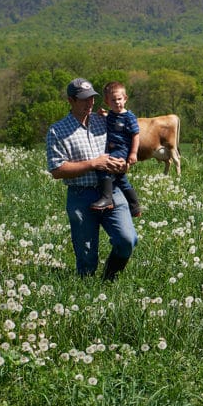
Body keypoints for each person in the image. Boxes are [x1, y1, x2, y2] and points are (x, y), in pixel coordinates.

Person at [46, 77, 138, 280]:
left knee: (127, 240)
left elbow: (127, 140)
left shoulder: (106, 121)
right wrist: (93, 164)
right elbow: (56, 170)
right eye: (84, 99)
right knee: (86, 255)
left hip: (112, 190)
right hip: (81, 196)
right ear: (71, 100)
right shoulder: (57, 130)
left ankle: (109, 278)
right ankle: (87, 291)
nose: (90, 103)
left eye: (92, 98)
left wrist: (125, 163)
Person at [90, 81, 142, 217]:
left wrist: (133, 153)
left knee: (104, 166)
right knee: (120, 179)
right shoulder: (111, 114)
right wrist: (102, 114)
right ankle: (134, 206)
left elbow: (136, 135)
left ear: (125, 99)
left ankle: (107, 198)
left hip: (122, 149)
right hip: (111, 149)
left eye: (119, 99)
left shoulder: (129, 117)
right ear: (107, 102)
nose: (117, 102)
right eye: (113, 100)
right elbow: (110, 120)